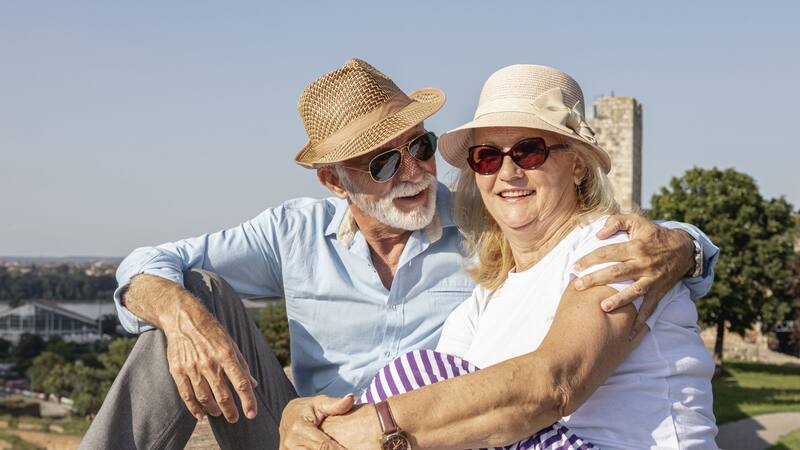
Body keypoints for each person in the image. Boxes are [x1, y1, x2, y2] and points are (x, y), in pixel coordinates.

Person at [79, 60, 717, 450]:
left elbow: (601, 241)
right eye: (383, 162)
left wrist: (687, 247)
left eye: (421, 146)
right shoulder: (292, 233)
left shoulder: (485, 224)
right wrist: (184, 319)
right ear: (335, 182)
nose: (413, 171)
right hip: (308, 434)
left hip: (429, 434)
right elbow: (148, 263)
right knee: (191, 299)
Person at [300, 64, 717, 450]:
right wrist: (308, 420)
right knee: (412, 376)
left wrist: (372, 425)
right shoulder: (484, 302)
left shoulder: (618, 250)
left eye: (529, 151)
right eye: (487, 157)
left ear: (577, 165)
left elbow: (555, 385)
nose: (508, 172)